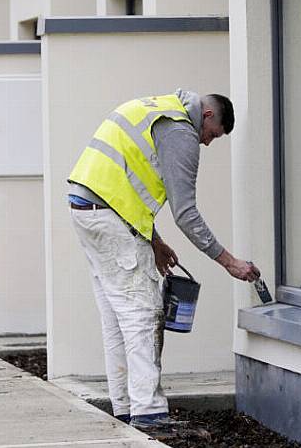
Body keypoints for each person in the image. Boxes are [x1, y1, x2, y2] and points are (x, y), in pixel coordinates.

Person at [67, 89, 259, 428]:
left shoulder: (156, 108)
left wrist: (153, 241)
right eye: (211, 135)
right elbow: (186, 214)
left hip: (87, 210)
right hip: (109, 217)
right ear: (208, 116)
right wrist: (229, 262)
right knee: (143, 314)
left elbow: (126, 184)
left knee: (116, 317)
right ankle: (149, 413)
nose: (207, 143)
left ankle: (125, 407)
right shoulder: (181, 130)